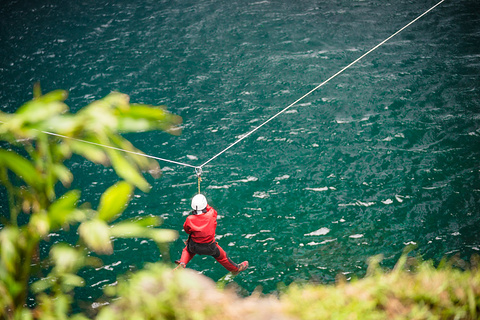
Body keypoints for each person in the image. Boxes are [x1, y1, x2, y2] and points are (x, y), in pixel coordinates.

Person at [175, 194, 248, 274]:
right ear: (205, 204)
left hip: (194, 246)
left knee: (187, 250)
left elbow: (187, 230)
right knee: (222, 257)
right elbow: (211, 209)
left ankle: (183, 263)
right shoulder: (211, 214)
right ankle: (236, 269)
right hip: (210, 247)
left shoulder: (189, 219)